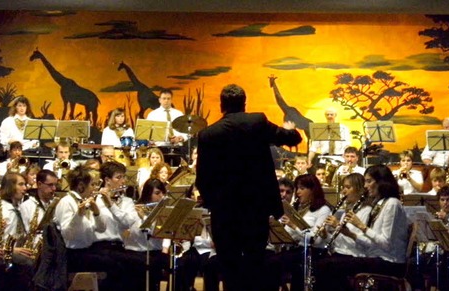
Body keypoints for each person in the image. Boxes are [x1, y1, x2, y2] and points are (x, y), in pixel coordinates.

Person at [195, 84, 302, 290]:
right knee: (255, 261)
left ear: (221, 105)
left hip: (224, 211)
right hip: (256, 207)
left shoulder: (208, 134)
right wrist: (292, 131)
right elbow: (292, 138)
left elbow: (203, 178)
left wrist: (214, 202)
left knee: (229, 265)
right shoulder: (257, 121)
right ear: (245, 104)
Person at [314, 164, 408, 290]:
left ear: (381, 181)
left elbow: (386, 244)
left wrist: (361, 226)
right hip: (376, 257)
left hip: (390, 262)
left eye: (369, 181)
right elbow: (371, 243)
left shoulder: (392, 204)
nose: (365, 186)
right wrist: (348, 233)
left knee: (327, 266)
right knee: (324, 264)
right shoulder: (381, 203)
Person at [270, 174, 331, 291]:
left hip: (312, 252)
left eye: (302, 188)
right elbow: (289, 235)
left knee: (272, 263)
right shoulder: (297, 208)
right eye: (297, 188)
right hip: (295, 250)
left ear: (313, 190)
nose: (297, 192)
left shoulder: (323, 210)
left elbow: (315, 239)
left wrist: (293, 226)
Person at [122, 178, 170, 291]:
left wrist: (144, 217)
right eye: (157, 193)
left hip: (154, 252)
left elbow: (157, 233)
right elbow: (130, 232)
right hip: (134, 251)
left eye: (163, 193)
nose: (161, 196)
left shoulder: (163, 212)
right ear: (148, 194)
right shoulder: (135, 209)